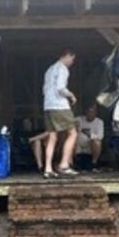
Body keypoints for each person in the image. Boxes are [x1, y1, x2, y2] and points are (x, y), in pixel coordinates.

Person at [39, 49, 79, 178]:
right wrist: (72, 95)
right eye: (72, 59)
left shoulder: (50, 69)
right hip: (59, 105)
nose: (72, 62)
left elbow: (44, 89)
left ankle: (48, 168)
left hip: (48, 106)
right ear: (67, 55)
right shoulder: (62, 69)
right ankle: (64, 165)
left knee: (52, 137)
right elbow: (61, 88)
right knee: (73, 133)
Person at [76, 103, 107, 172]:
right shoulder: (78, 120)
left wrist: (90, 134)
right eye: (89, 111)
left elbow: (100, 136)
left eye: (93, 111)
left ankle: (94, 164)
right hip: (77, 147)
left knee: (97, 142)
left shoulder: (99, 122)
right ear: (86, 112)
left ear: (96, 113)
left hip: (90, 148)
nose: (90, 113)